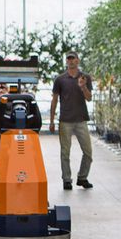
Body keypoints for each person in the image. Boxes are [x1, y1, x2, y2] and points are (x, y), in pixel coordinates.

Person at [48, 52, 94, 190]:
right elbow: (54, 100)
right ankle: (66, 179)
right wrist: (51, 121)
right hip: (65, 120)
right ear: (66, 62)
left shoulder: (85, 78)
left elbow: (89, 98)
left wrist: (83, 86)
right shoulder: (60, 79)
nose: (71, 61)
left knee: (88, 151)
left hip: (81, 120)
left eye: (73, 58)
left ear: (78, 60)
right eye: (68, 59)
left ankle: (82, 177)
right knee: (65, 152)